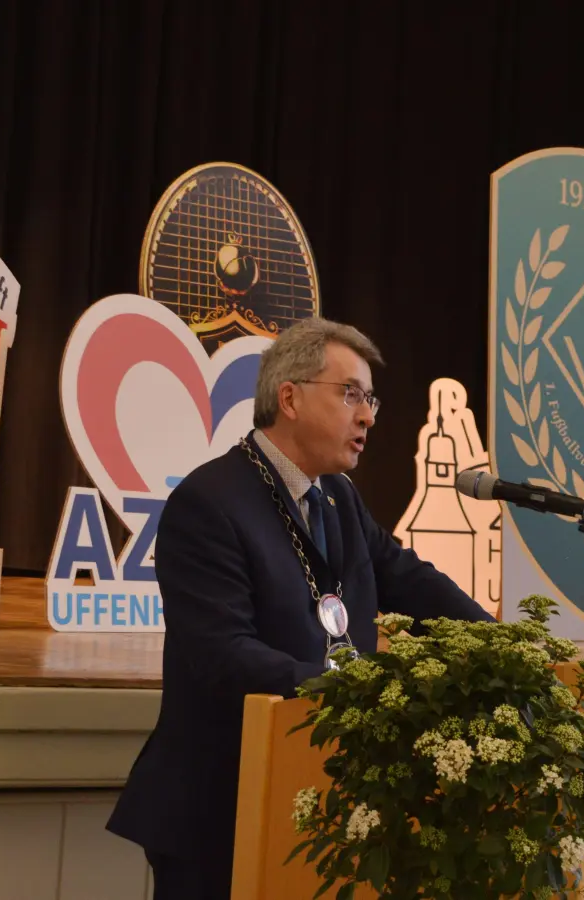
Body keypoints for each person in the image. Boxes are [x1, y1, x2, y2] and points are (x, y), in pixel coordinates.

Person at [106, 317, 493, 898]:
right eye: (351, 395)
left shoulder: (338, 497)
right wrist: (358, 689)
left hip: (320, 797)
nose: (368, 416)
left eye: (371, 400)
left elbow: (408, 579)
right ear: (289, 397)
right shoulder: (208, 503)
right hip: (221, 806)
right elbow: (222, 656)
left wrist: (502, 646)